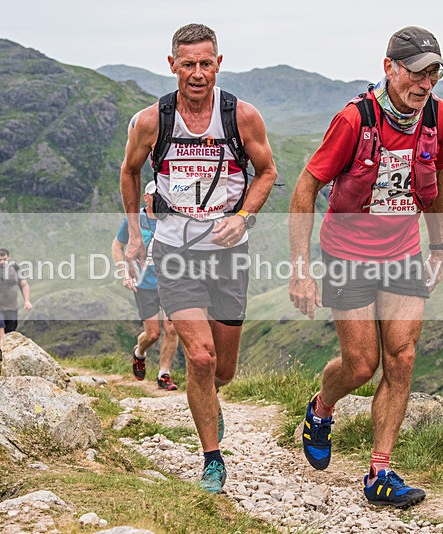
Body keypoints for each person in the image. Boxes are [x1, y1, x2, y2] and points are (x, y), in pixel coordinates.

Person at [289, 26, 443, 508]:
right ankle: (321, 410)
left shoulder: (439, 116)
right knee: (361, 364)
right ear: (390, 68)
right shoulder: (353, 120)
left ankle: (380, 472)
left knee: (402, 357)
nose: (425, 84)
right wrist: (301, 270)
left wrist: (437, 245)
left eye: (434, 73)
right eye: (417, 73)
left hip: (403, 252)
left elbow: (437, 177)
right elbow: (304, 188)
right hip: (347, 254)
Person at [120, 23, 277, 493]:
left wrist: (244, 216)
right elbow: (129, 173)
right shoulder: (152, 121)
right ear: (172, 65)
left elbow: (267, 172)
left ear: (219, 64)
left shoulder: (241, 117)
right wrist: (134, 235)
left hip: (228, 255)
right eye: (187, 64)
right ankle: (212, 459)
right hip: (174, 252)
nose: (197, 73)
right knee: (201, 357)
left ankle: (209, 400)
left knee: (222, 371)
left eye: (205, 63)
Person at [112, 180, 180, 391]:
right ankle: (139, 352)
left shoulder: (170, 219)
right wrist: (124, 274)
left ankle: (164, 374)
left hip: (170, 282)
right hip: (144, 283)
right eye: (154, 195)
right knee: (153, 334)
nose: (159, 198)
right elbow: (117, 245)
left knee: (172, 327)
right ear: (146, 197)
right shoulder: (135, 219)